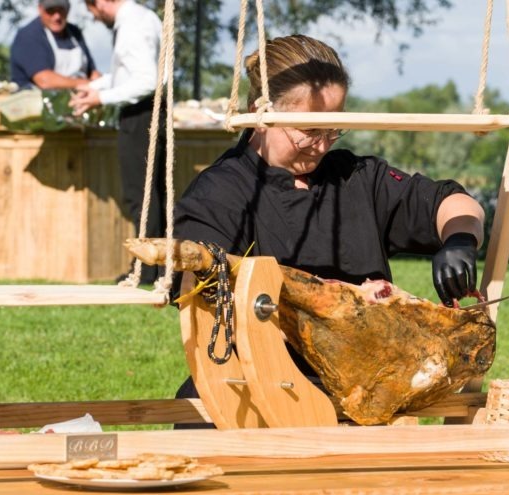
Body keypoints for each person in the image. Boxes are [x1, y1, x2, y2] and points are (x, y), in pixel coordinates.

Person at [171, 34, 486, 420]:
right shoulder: (218, 193)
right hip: (252, 397)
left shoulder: (354, 177)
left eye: (333, 129)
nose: (321, 146)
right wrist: (349, 306)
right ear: (259, 113)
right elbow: (212, 304)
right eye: (308, 130)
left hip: (367, 396)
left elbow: (453, 202)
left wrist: (459, 239)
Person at [70, 0, 166, 284]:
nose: (95, 18)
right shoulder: (143, 18)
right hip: (151, 112)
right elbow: (130, 74)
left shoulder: (132, 25)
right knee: (153, 194)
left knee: (141, 195)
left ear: (101, 2)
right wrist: (95, 86)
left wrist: (101, 98)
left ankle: (147, 268)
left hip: (140, 115)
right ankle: (158, 265)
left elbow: (146, 81)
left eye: (92, 11)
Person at [10, 0, 101, 90]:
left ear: (68, 10)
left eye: (61, 10)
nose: (57, 16)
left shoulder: (75, 32)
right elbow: (44, 81)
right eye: (51, 10)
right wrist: (88, 84)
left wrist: (101, 82)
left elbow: (92, 72)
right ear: (40, 9)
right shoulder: (28, 35)